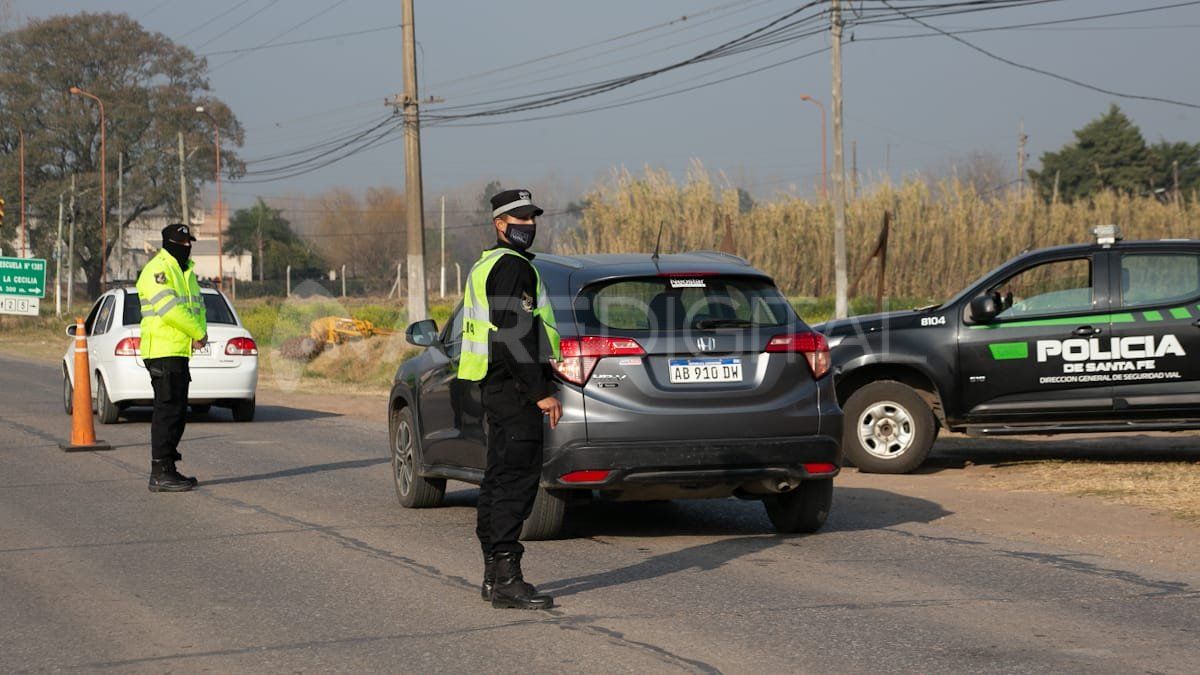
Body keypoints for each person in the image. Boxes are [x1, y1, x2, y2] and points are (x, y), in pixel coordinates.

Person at [459, 189, 563, 610]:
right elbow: (514, 334)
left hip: (495, 387)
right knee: (516, 483)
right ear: (500, 225)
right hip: (515, 390)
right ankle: (506, 578)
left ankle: (492, 574)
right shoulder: (512, 268)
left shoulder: (488, 264)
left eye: (532, 217)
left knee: (498, 480)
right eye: (519, 219)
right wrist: (540, 393)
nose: (529, 225)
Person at [136, 223, 207, 493]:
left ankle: (169, 468)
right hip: (162, 350)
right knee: (166, 411)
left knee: (177, 411)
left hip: (179, 350)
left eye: (189, 243)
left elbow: (196, 306)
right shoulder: (158, 270)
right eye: (181, 243)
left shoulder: (185, 272)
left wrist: (200, 335)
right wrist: (198, 331)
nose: (186, 248)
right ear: (168, 244)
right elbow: (171, 311)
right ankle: (160, 471)